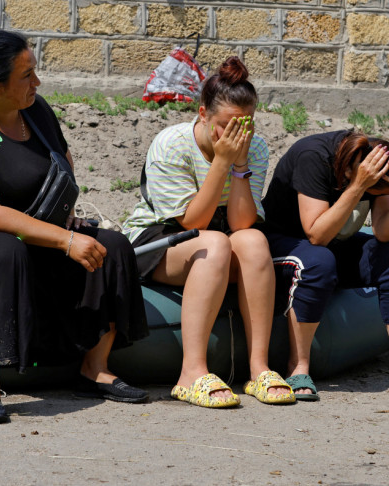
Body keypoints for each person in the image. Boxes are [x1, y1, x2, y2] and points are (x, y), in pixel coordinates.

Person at [0, 25, 149, 424]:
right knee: (5, 249)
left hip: (30, 229)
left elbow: (63, 161)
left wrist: (66, 213)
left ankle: (95, 367)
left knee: (114, 244)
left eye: (35, 70)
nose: (37, 81)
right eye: (27, 75)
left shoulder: (34, 111)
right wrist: (64, 239)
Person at [122, 57, 295, 408]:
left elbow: (242, 223)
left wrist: (240, 165)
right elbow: (191, 223)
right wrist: (221, 161)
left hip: (216, 238)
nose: (235, 136)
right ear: (202, 114)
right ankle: (191, 374)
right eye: (225, 126)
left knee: (254, 239)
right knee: (214, 243)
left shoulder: (255, 147)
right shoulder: (171, 145)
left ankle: (258, 368)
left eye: (245, 126)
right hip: (158, 239)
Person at [258, 130, 389, 405]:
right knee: (319, 260)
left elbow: (384, 233)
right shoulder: (315, 156)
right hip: (283, 244)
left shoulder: (375, 166)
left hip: (329, 245)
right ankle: (298, 367)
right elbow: (316, 235)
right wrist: (358, 187)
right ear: (349, 171)